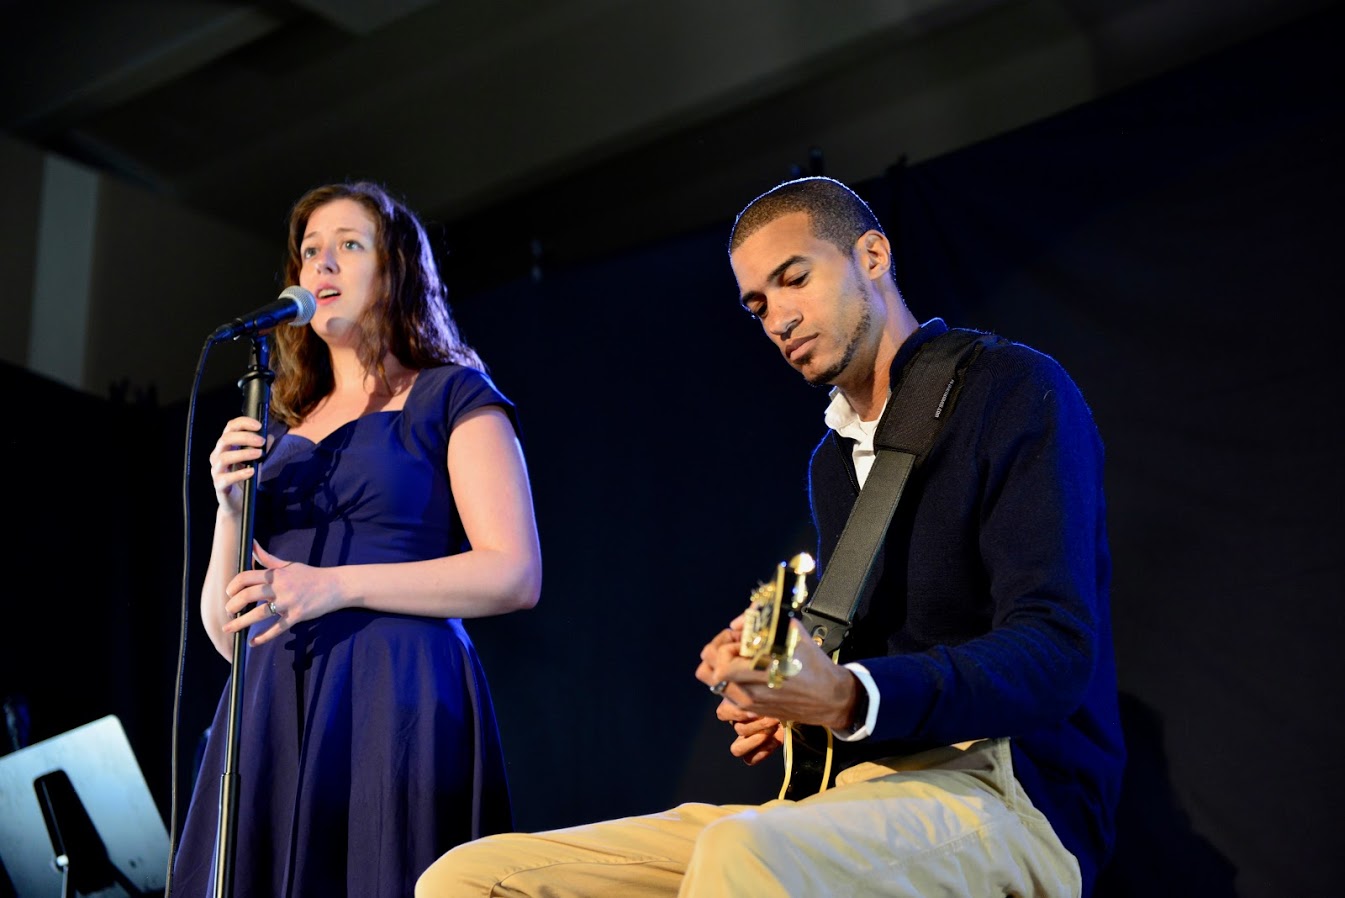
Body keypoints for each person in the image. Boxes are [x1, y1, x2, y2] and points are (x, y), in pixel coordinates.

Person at [415, 175, 1124, 898]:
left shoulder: (1011, 389)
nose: (778, 319)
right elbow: (873, 655)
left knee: (742, 852)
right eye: (757, 305)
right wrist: (783, 693)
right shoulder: (832, 463)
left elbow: (1057, 649)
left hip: (1003, 792)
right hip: (850, 793)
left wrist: (845, 695)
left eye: (795, 279)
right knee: (470, 879)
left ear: (872, 256)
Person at [169, 181, 543, 898]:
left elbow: (515, 573)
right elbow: (228, 635)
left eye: (348, 245)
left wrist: (335, 586)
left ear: (394, 268)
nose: (323, 265)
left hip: (395, 693)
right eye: (311, 252)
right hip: (272, 707)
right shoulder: (277, 431)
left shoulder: (451, 394)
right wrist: (230, 507)